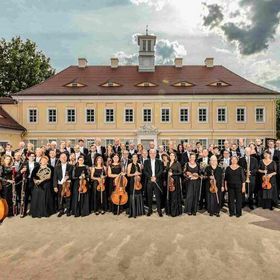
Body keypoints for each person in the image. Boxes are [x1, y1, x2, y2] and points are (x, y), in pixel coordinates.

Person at [143, 149, 163, 217]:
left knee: (158, 197)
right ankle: (150, 210)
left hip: (157, 181)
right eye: (151, 153)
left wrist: (155, 177)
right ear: (149, 154)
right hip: (149, 181)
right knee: (149, 196)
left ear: (156, 154)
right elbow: (145, 171)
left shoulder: (159, 161)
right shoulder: (146, 161)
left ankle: (159, 211)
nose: (152, 154)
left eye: (154, 153)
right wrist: (150, 177)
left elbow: (161, 170)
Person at [53, 153, 73, 217]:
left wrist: (68, 177)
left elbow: (72, 176)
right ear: (60, 159)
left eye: (65, 157)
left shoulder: (71, 166)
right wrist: (55, 186)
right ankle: (61, 210)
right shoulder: (56, 167)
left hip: (67, 184)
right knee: (60, 197)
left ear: (67, 158)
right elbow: (55, 177)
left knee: (68, 197)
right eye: (62, 157)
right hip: (60, 184)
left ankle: (68, 210)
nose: (63, 158)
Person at [127, 154, 145, 218]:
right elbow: (128, 174)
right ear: (132, 158)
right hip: (132, 181)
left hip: (138, 181)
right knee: (132, 194)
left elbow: (141, 173)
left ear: (137, 158)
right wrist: (134, 174)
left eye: (136, 157)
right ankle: (133, 212)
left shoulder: (140, 165)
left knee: (138, 194)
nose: (135, 158)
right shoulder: (129, 165)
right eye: (133, 157)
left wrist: (138, 173)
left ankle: (139, 211)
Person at [165, 152, 183, 217]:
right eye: (170, 155)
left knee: (174, 196)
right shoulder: (168, 163)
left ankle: (174, 212)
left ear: (175, 156)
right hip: (169, 181)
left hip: (175, 181)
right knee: (169, 195)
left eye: (173, 155)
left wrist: (173, 174)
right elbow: (166, 171)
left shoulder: (177, 163)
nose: (171, 156)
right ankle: (169, 211)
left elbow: (181, 173)